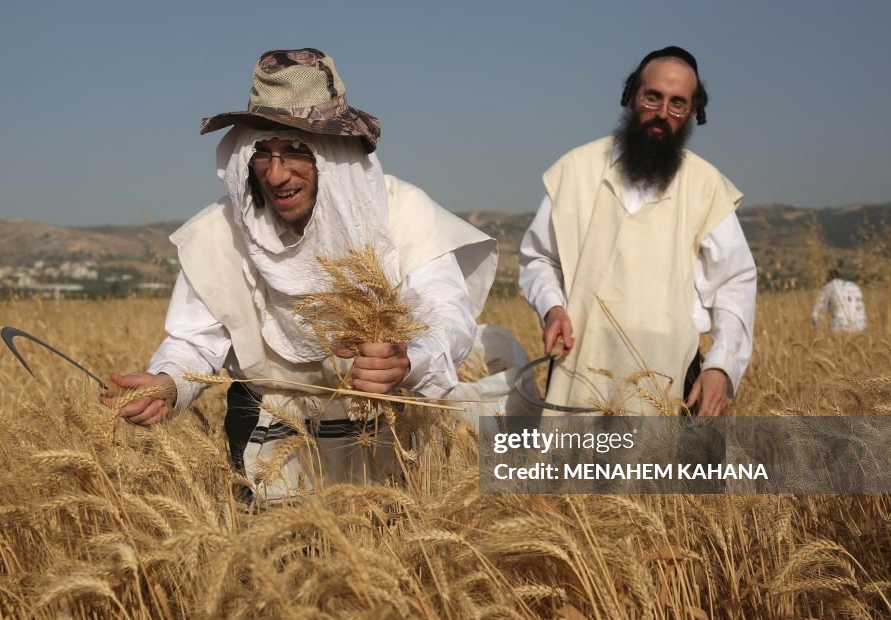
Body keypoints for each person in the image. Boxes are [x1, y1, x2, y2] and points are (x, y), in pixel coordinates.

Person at [100, 48, 496, 500]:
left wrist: (407, 361)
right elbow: (194, 340)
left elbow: (445, 316)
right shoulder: (220, 232)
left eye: (295, 151)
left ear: (332, 154)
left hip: (386, 437)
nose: (276, 173)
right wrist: (169, 382)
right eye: (262, 153)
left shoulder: (401, 215)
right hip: (268, 439)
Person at [518, 46, 756, 417]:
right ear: (631, 95)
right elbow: (539, 258)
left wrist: (721, 366)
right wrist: (552, 307)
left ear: (693, 112)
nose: (663, 114)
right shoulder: (574, 172)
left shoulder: (706, 187)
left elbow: (735, 283)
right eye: (653, 97)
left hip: (670, 385)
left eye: (678, 104)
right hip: (579, 374)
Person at [812, 268, 867, 333]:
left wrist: (818, 331)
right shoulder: (855, 286)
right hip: (861, 328)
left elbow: (816, 314)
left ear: (827, 279)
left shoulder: (829, 287)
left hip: (840, 328)